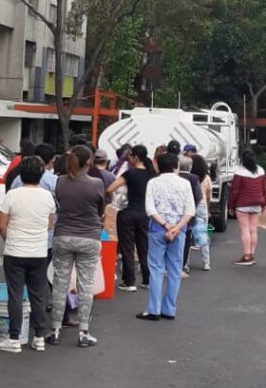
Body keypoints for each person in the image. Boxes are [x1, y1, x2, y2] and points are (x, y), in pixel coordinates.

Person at [0, 156, 57, 353]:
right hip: (38, 251)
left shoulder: (12, 195)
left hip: (14, 250)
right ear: (41, 174)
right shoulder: (47, 196)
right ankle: (39, 336)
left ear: (21, 174)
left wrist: (10, 238)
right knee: (37, 294)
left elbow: (1, 224)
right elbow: (50, 222)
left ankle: (14, 338)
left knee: (15, 294)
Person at [48, 145, 106, 348]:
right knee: (85, 285)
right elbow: (100, 210)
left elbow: (59, 204)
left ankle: (54, 330)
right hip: (89, 237)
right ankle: (83, 332)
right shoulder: (97, 183)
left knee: (60, 283)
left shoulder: (60, 182)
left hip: (63, 235)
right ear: (89, 161)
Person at [137, 153, 196, 321]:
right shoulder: (185, 184)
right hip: (179, 230)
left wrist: (165, 225)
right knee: (175, 270)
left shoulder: (153, 183)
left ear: (157, 166)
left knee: (155, 268)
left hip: (157, 228)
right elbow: (190, 210)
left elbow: (150, 209)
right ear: (176, 166)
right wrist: (176, 228)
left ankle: (153, 309)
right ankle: (169, 309)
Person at [109, 145, 155, 292]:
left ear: (135, 157)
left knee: (127, 248)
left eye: (130, 156)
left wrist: (118, 198)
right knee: (144, 247)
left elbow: (110, 188)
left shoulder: (130, 173)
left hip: (128, 213)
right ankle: (147, 279)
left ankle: (129, 281)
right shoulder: (151, 175)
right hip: (145, 214)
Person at [227, 151, 266, 266]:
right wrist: (264, 204)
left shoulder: (240, 171)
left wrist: (231, 206)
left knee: (245, 230)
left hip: (243, 205)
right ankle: (252, 254)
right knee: (253, 230)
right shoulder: (260, 170)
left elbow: (235, 191)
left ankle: (246, 256)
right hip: (257, 204)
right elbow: (264, 189)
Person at [177, 157, 204, 277]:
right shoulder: (194, 179)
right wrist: (193, 206)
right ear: (190, 166)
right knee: (186, 240)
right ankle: (182, 265)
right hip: (188, 214)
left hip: (174, 214)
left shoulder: (175, 177)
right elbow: (199, 196)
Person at [190, 155, 213, 271]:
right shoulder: (207, 178)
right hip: (203, 206)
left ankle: (185, 263)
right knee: (203, 234)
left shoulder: (189, 177)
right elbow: (209, 196)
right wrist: (208, 210)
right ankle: (206, 262)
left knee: (187, 235)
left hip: (190, 205)